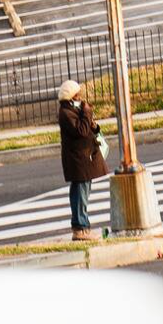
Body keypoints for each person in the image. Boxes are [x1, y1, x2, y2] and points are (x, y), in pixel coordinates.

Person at [58, 79, 107, 240]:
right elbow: (81, 130)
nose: (81, 98)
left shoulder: (74, 111)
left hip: (85, 158)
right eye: (78, 95)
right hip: (77, 161)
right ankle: (80, 228)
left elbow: (89, 128)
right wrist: (86, 113)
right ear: (71, 97)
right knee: (80, 194)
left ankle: (84, 226)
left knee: (84, 192)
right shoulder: (66, 113)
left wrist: (92, 122)